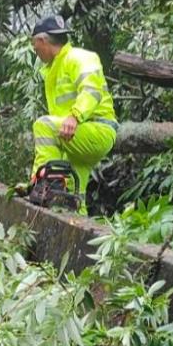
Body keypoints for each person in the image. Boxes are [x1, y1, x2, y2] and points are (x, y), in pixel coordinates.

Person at [29, 15, 117, 211]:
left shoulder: (79, 57)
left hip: (98, 128)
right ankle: (77, 220)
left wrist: (75, 116)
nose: (35, 51)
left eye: (35, 46)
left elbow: (91, 91)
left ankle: (44, 184)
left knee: (43, 124)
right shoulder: (54, 69)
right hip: (77, 135)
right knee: (72, 196)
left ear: (42, 41)